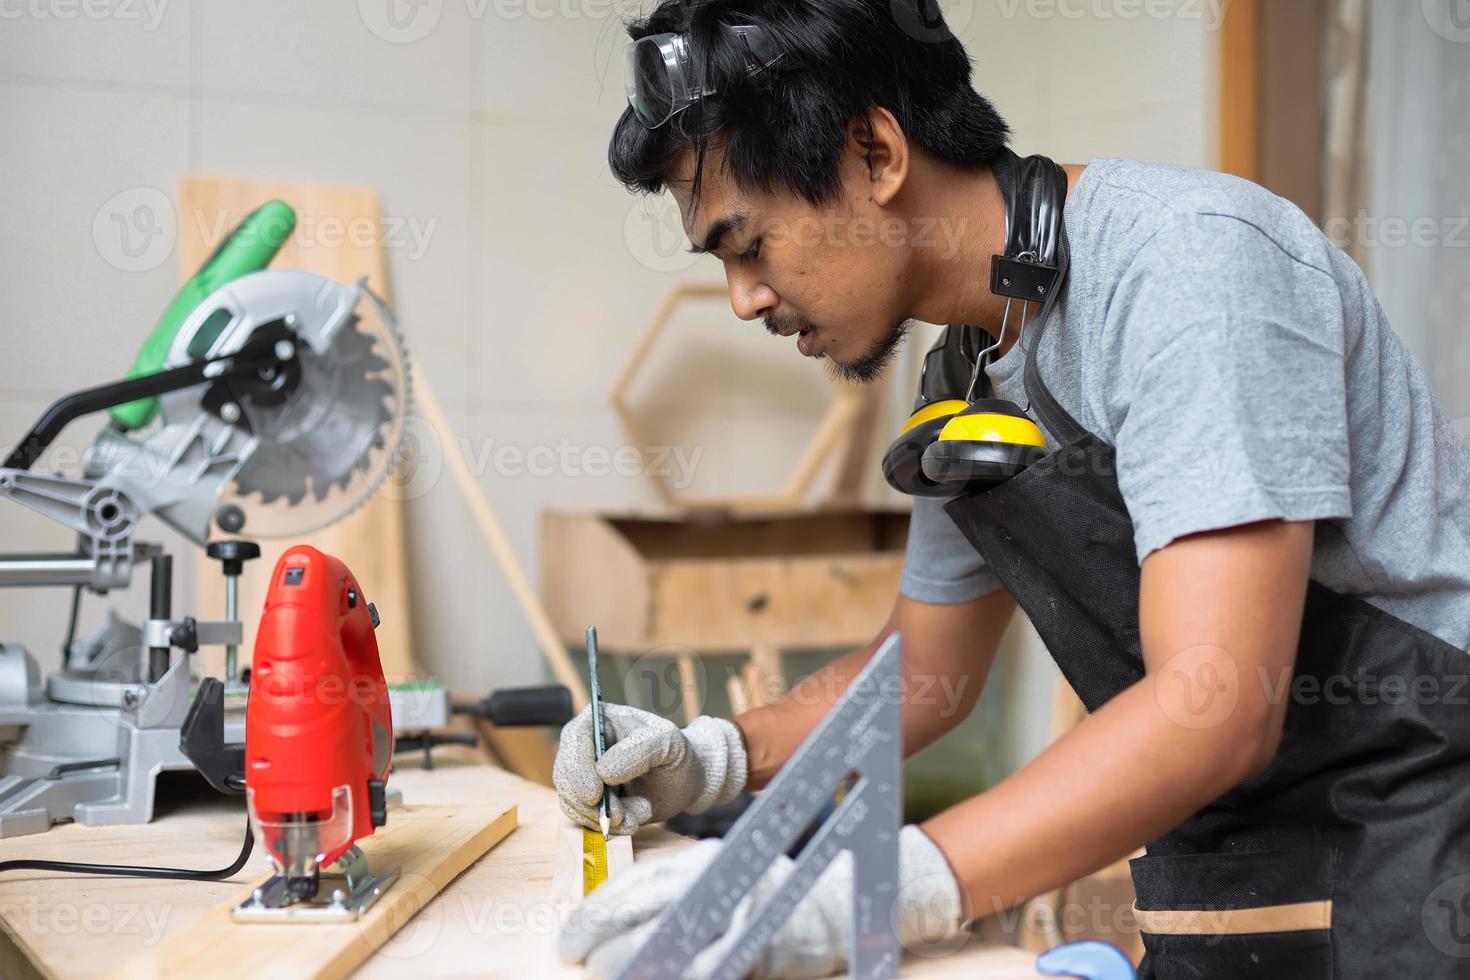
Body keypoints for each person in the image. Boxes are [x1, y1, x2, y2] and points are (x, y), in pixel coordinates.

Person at [554, 2, 1470, 977]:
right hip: (1231, 870)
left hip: (1420, 842)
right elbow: (922, 675)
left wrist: (871, 889)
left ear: (875, 154)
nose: (744, 297)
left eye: (750, 245)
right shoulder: (965, 378)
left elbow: (1219, 704)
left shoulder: (1189, 268)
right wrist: (712, 758)